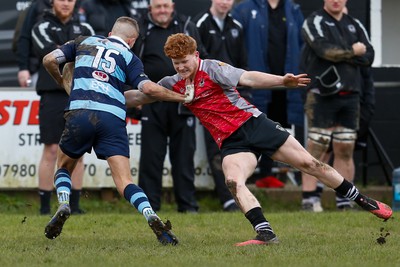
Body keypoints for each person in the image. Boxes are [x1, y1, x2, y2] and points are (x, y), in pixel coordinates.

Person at [125, 33, 392, 246]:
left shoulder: (213, 68)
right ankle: (265, 233)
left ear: (195, 55)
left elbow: (248, 77)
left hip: (254, 124)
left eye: (185, 61)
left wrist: (281, 80)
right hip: (232, 143)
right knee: (233, 180)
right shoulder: (172, 83)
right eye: (176, 63)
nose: (181, 67)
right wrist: (101, 95)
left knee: (310, 164)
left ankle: (362, 200)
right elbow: (139, 97)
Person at [41, 16, 190, 244]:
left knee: (63, 166)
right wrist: (182, 97)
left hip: (81, 111)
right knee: (124, 181)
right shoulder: (130, 57)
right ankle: (151, 215)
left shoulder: (84, 41)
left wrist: (63, 82)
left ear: (110, 34)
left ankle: (63, 202)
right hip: (112, 116)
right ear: (131, 41)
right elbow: (148, 89)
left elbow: (50, 59)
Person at [131, 0, 207, 213]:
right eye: (158, 6)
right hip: (151, 101)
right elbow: (129, 62)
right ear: (150, 9)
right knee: (150, 158)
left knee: (184, 156)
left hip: (183, 101)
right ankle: (149, 207)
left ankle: (188, 205)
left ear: (172, 6)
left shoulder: (186, 26)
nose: (162, 10)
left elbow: (200, 60)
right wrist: (136, 97)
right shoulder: (141, 28)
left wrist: (196, 93)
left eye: (166, 5)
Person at [300, 0, 375, 211]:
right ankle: (309, 199)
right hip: (321, 95)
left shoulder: (355, 24)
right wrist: (352, 52)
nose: (336, 1)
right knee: (317, 147)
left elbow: (369, 55)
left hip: (351, 95)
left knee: (345, 147)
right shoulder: (314, 20)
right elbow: (324, 50)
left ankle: (344, 199)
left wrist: (346, 54)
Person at [231, 0, 305, 186]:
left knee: (277, 128)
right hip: (255, 84)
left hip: (284, 84)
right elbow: (234, 44)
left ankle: (267, 174)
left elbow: (302, 44)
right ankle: (244, 178)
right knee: (254, 127)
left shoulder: (293, 9)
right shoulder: (244, 9)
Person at [31, 0, 94, 215]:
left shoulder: (86, 29)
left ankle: (74, 206)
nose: (66, 3)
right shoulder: (41, 26)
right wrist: (74, 52)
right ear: (52, 2)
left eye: (70, 0)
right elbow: (51, 55)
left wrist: (68, 50)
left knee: (78, 152)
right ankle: (44, 207)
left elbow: (94, 54)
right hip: (52, 95)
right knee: (50, 150)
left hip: (79, 95)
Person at [193, 0, 248, 211]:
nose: (225, 2)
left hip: (233, 96)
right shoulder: (200, 23)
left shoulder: (237, 25)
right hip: (209, 97)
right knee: (216, 146)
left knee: (236, 144)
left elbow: (242, 61)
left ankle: (239, 191)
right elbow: (199, 62)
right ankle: (226, 197)